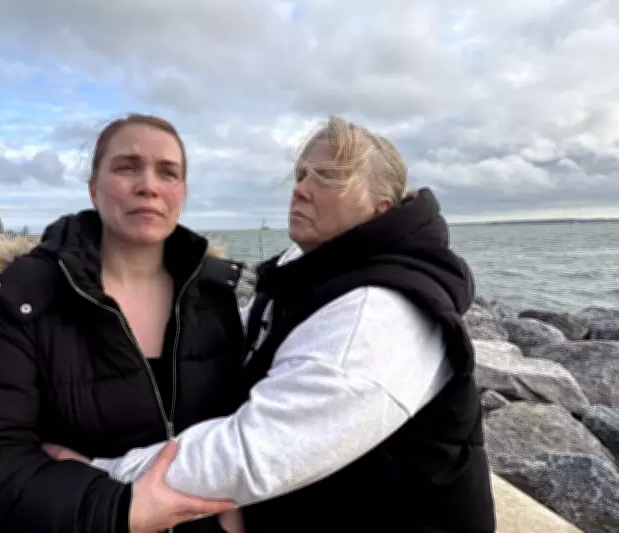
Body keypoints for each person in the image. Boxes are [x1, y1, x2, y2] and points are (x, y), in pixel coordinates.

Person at [71, 116, 497, 532]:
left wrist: (95, 477)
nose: (301, 189)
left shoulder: (379, 315)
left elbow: (251, 455)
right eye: (302, 174)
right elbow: (227, 353)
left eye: (327, 178)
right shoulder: (308, 266)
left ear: (379, 208)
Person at [0, 113, 247, 533]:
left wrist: (243, 511)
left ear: (181, 192)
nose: (148, 185)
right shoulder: (29, 298)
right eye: (127, 167)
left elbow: (254, 431)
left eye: (167, 172)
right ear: (94, 188)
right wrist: (114, 508)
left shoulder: (218, 297)